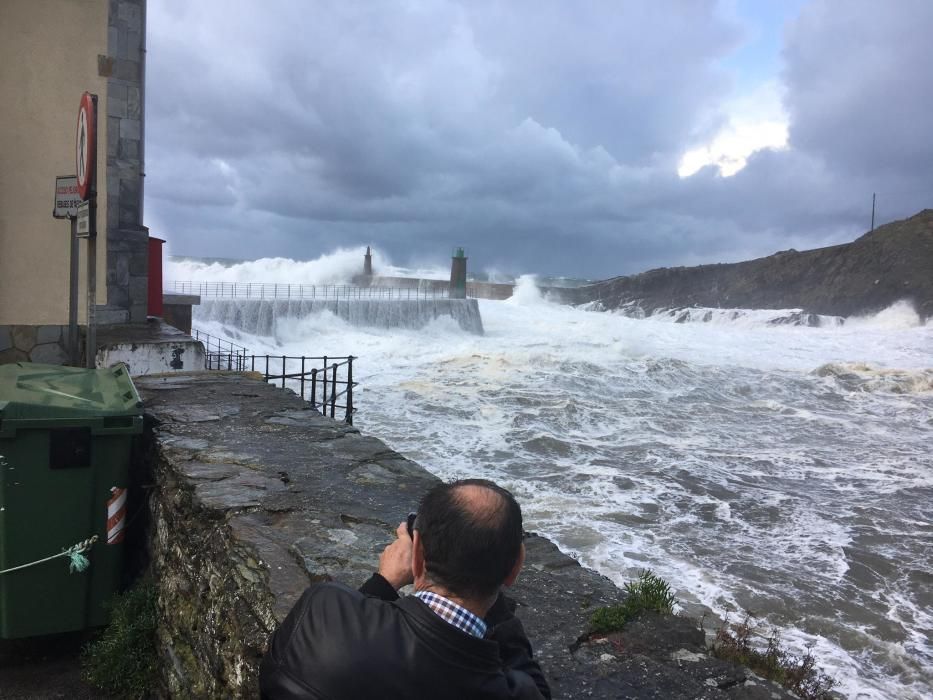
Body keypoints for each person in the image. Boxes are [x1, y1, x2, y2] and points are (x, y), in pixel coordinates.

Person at [259, 478, 551, 699]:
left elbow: (348, 636)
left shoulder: (320, 608)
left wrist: (383, 583)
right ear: (515, 567)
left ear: (417, 553)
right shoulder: (513, 691)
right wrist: (494, 594)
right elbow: (534, 684)